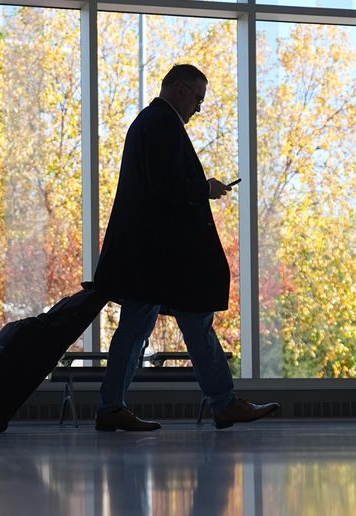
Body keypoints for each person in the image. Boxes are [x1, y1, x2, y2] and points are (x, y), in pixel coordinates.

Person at [93, 64, 279, 431]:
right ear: (179, 90)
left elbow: (154, 186)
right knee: (189, 325)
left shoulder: (146, 122)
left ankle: (113, 406)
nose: (198, 107)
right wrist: (204, 189)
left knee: (145, 329)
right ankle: (222, 404)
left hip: (149, 256)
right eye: (197, 97)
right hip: (160, 257)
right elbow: (164, 186)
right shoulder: (163, 125)